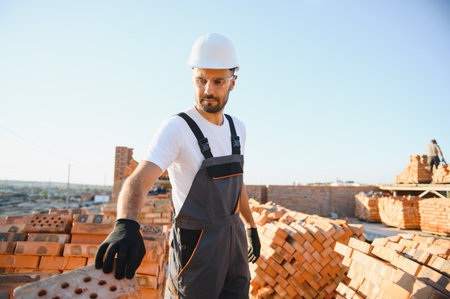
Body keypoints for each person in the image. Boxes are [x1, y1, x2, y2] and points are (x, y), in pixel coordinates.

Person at [95, 33, 261, 299]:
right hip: (197, 248)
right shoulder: (177, 128)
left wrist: (250, 226)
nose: (208, 89)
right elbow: (138, 180)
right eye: (201, 80)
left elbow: (236, 184)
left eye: (218, 81)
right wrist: (126, 223)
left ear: (233, 82)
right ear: (192, 78)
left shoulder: (237, 129)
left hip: (234, 242)